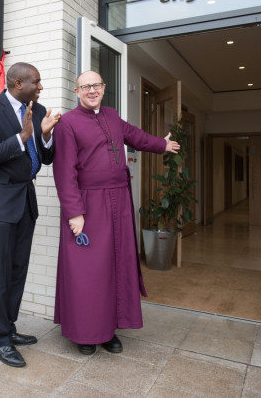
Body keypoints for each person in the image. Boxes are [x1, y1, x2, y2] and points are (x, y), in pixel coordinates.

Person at [52, 70, 180, 355]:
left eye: (96, 85)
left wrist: (162, 144)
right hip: (87, 205)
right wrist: (75, 213)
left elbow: (135, 136)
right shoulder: (67, 123)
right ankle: (85, 333)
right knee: (88, 271)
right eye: (85, 87)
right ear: (76, 92)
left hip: (119, 201)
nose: (91, 90)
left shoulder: (111, 115)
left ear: (104, 87)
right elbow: (64, 173)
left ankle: (108, 330)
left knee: (115, 266)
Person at [0, 62, 61, 367]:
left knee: (17, 270)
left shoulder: (38, 110)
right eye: (35, 82)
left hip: (25, 201)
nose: (40, 87)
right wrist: (22, 137)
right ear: (15, 83)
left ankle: (8, 328)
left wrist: (46, 136)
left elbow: (46, 158)